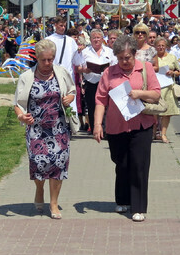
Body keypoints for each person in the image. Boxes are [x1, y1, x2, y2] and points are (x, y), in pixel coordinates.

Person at [93, 35, 161, 222]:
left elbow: (156, 94)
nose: (124, 61)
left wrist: (140, 93)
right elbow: (100, 100)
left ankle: (138, 207)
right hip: (116, 126)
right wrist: (98, 124)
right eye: (120, 58)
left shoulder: (145, 68)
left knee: (139, 165)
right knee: (121, 164)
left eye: (127, 57)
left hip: (142, 125)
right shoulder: (109, 73)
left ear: (134, 54)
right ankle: (122, 199)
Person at [13, 39, 76, 220]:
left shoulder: (61, 73)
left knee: (59, 163)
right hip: (36, 129)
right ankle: (39, 189)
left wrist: (70, 98)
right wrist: (21, 116)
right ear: (37, 59)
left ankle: (54, 203)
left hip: (59, 127)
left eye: (51, 59)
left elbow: (72, 91)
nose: (48, 63)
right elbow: (17, 103)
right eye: (44, 60)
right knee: (38, 164)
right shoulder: (26, 77)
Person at [77, 29, 116, 132]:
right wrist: (85, 70)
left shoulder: (109, 51)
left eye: (98, 38)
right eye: (94, 38)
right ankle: (95, 129)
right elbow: (78, 68)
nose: (96, 40)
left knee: (106, 105)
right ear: (90, 39)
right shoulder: (85, 52)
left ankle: (106, 128)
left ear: (102, 39)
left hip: (105, 82)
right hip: (90, 82)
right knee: (91, 105)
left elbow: (114, 65)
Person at [153, 37, 180, 143]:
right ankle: (154, 132)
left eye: (163, 45)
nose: (160, 47)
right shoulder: (152, 57)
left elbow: (179, 71)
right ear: (155, 47)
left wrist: (173, 72)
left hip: (168, 87)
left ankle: (164, 134)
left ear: (166, 46)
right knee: (153, 112)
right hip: (155, 87)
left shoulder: (172, 57)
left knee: (167, 112)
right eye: (158, 45)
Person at [45, 15, 79, 83]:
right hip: (53, 76)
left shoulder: (70, 41)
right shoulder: (48, 40)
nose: (63, 28)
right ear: (55, 25)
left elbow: (76, 60)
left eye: (64, 26)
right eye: (61, 25)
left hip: (68, 77)